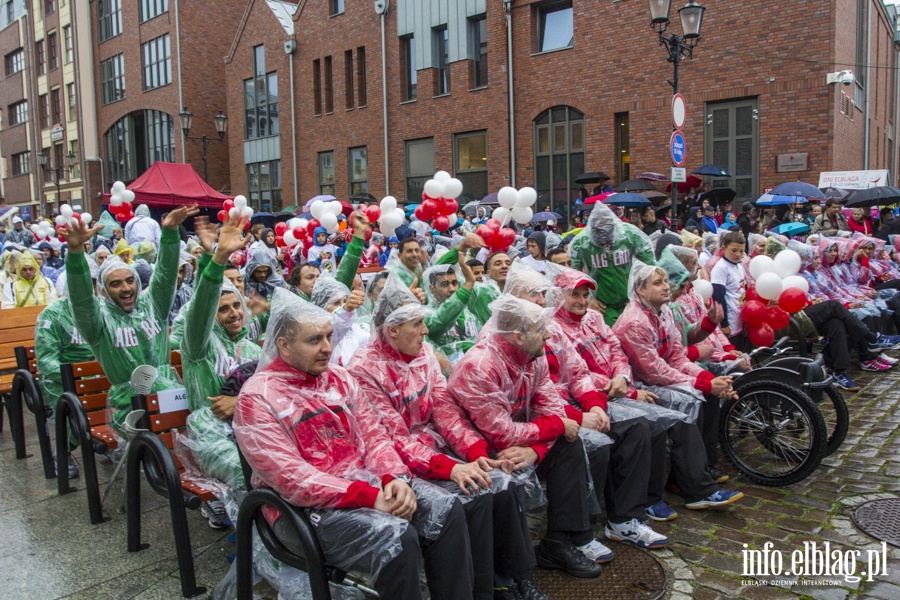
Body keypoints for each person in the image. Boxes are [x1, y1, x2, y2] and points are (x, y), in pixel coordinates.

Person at [234, 288, 475, 600]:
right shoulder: (258, 397)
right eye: (313, 340)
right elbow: (290, 478)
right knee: (396, 538)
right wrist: (369, 496)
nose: (326, 347)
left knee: (447, 509)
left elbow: (374, 437)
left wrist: (395, 478)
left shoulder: (338, 379)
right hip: (299, 511)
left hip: (364, 484)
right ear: (283, 345)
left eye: (328, 336)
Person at [350, 275, 549, 600]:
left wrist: (474, 450)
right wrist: (451, 468)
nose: (426, 331)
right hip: (393, 464)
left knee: (501, 482)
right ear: (392, 330)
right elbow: (392, 439)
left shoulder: (421, 352)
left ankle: (512, 576)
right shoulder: (364, 370)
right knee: (473, 496)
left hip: (433, 450)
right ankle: (480, 588)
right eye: (418, 324)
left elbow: (444, 407)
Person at [505, 265, 668, 552]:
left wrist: (596, 405)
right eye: (535, 295)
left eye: (544, 295)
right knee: (591, 444)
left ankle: (624, 519)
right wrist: (579, 417)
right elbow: (536, 400)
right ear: (513, 297)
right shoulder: (504, 336)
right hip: (533, 424)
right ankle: (576, 534)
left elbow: (577, 372)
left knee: (636, 426)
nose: (543, 302)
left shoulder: (548, 328)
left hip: (567, 408)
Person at [448, 294, 603, 580]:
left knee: (571, 446)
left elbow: (554, 411)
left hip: (520, 442)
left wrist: (537, 451)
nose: (548, 335)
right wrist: (554, 427)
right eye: (540, 329)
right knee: (507, 478)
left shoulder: (534, 356)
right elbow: (502, 433)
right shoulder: (480, 366)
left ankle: (557, 542)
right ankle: (514, 577)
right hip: (478, 450)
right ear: (518, 336)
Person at [62, 205, 199, 431]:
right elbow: (82, 300)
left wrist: (171, 232)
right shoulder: (98, 321)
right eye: (115, 284)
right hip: (130, 408)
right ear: (104, 291)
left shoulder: (153, 303)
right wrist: (76, 253)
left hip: (171, 397)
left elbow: (165, 275)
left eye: (129, 280)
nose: (125, 288)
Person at [613, 263, 745, 493]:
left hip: (657, 378)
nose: (667, 287)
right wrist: (704, 384)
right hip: (637, 385)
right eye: (658, 283)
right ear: (640, 290)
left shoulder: (662, 312)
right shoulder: (634, 322)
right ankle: (696, 487)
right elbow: (654, 371)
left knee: (706, 393)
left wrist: (708, 379)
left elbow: (676, 357)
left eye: (665, 281)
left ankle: (696, 469)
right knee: (690, 400)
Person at [180, 215, 262, 527]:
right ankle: (258, 544)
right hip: (209, 429)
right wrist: (218, 259)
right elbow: (200, 308)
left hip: (249, 427)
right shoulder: (197, 345)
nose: (233, 313)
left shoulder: (254, 350)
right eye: (223, 308)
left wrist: (240, 404)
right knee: (251, 476)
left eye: (237, 306)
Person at [569, 202, 656, 326]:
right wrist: (589, 299)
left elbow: (650, 266)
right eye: (599, 230)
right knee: (611, 336)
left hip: (630, 299)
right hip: (603, 304)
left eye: (607, 229)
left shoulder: (629, 234)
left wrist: (639, 295)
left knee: (634, 332)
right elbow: (574, 276)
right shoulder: (582, 243)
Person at [710, 231, 748, 345]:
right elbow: (718, 297)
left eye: (741, 251)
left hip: (739, 320)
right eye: (734, 250)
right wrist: (724, 324)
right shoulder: (721, 268)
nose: (738, 254)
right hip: (729, 323)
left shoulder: (739, 266)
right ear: (723, 248)